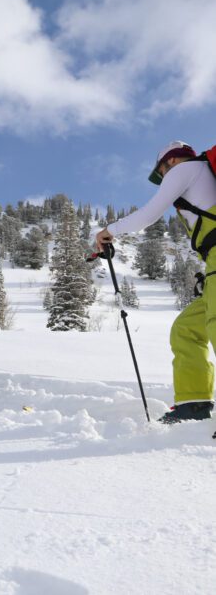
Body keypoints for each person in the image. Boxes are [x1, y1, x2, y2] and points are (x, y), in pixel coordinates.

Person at [96, 140, 216, 424]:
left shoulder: (186, 169)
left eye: (160, 172)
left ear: (170, 162)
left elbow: (148, 215)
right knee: (187, 329)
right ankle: (194, 404)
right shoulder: (200, 176)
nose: (162, 178)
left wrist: (108, 231)